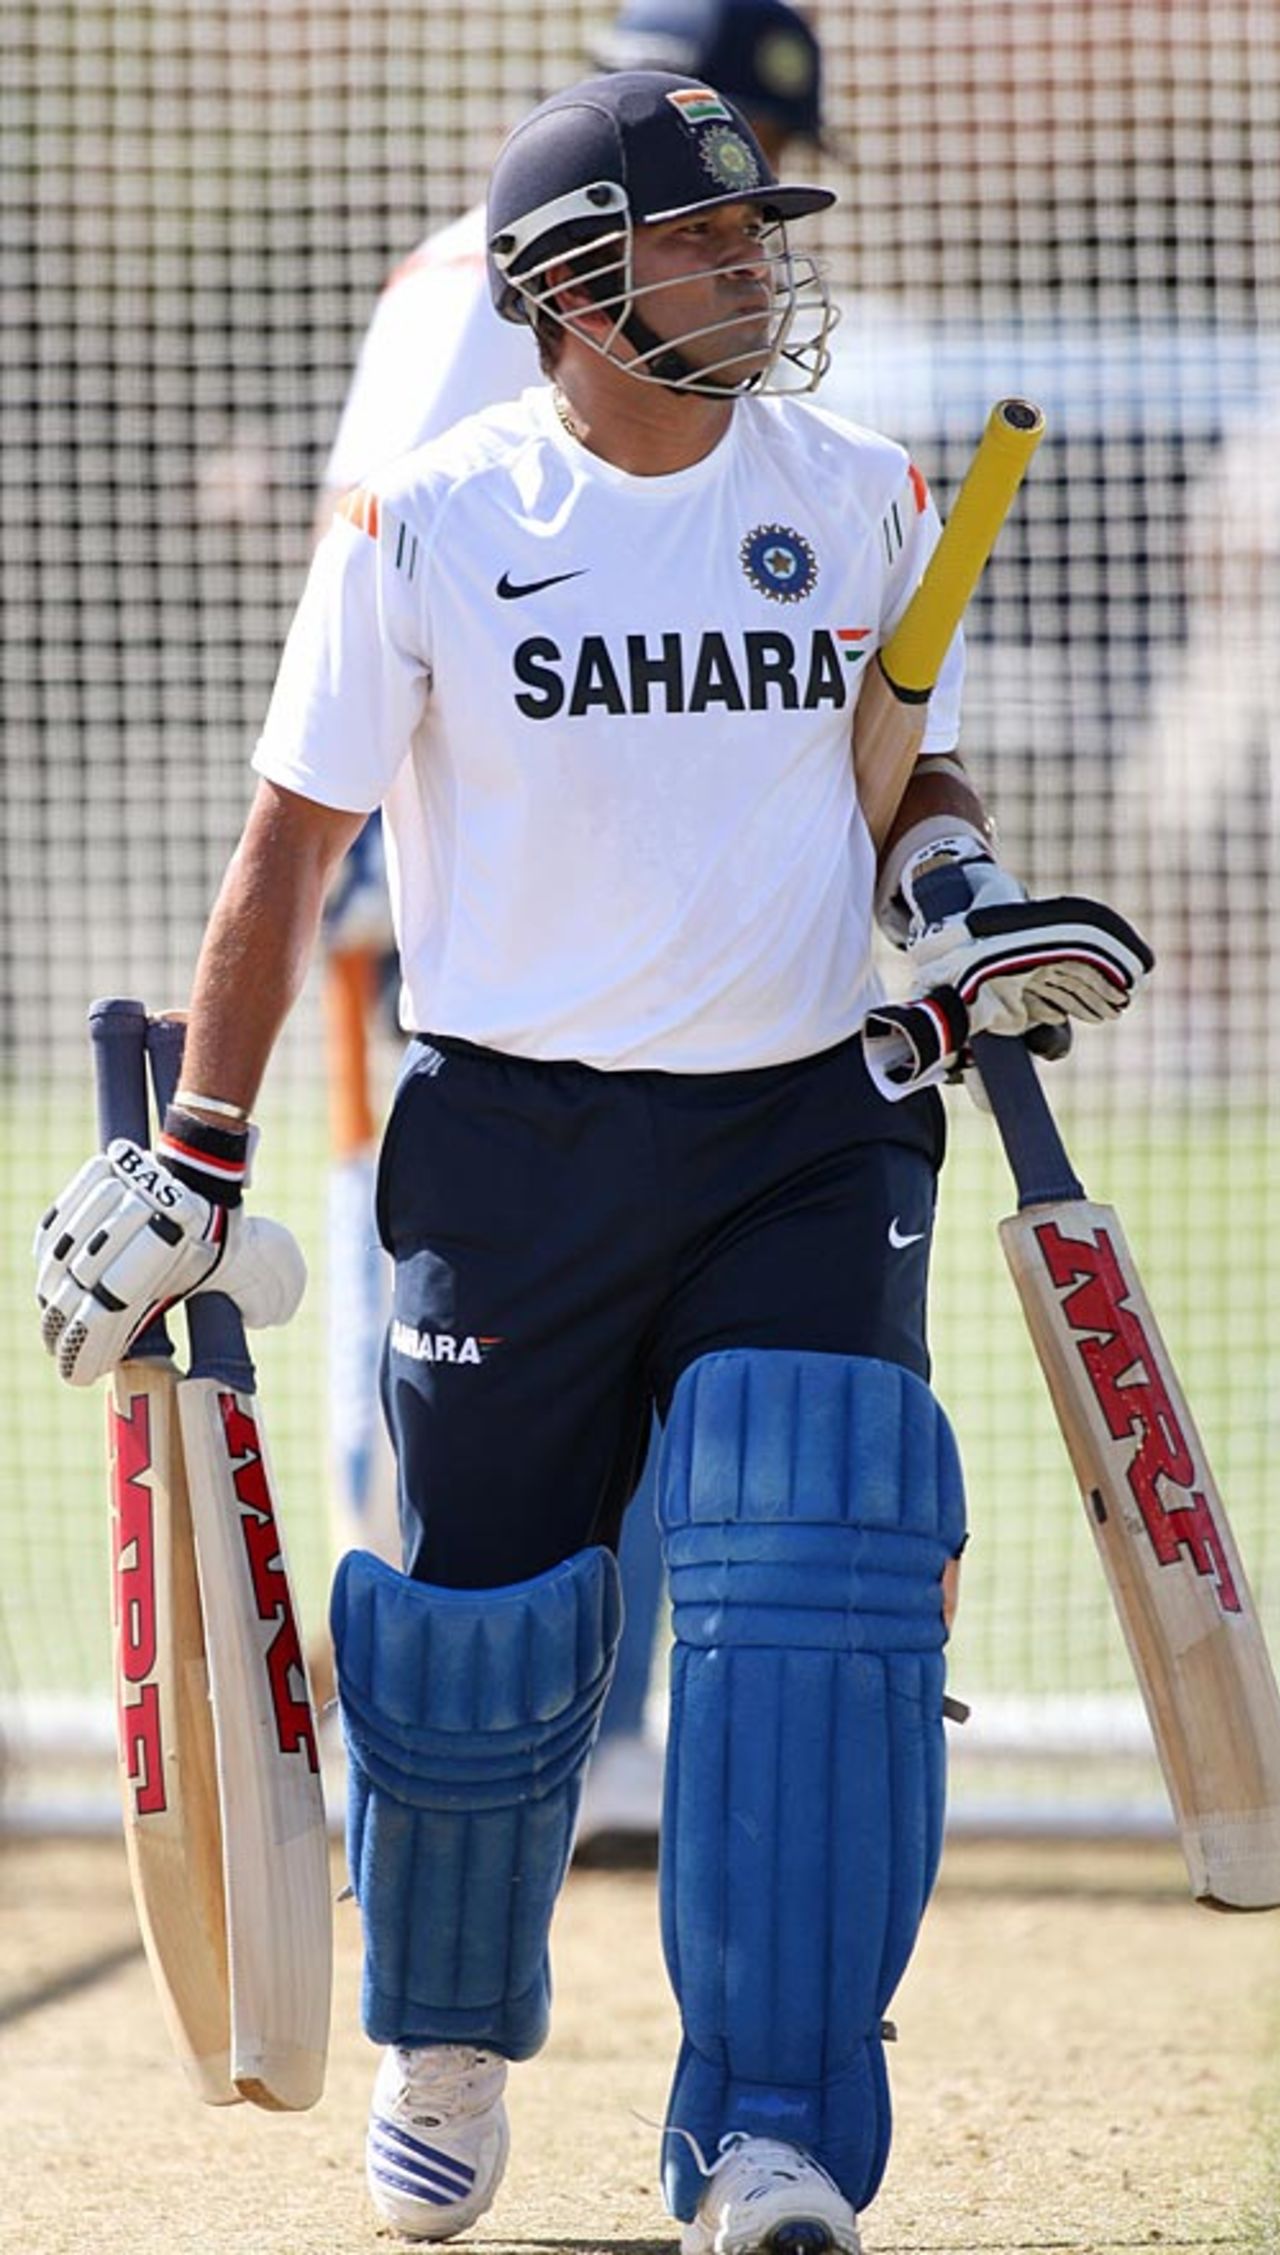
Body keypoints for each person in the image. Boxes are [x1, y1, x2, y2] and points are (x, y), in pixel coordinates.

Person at [35, 69, 1152, 2254]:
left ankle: (772, 2133)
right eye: (708, 240)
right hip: (511, 1149)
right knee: (467, 1661)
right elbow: (292, 847)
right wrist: (198, 1155)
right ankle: (446, 2039)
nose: (758, 269)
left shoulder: (854, 486)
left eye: (761, 235)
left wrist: (961, 885)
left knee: (819, 1594)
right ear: (571, 286)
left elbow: (893, 763)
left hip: (804, 1137)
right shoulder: (434, 517)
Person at [317, 0, 837, 1855]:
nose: (741, 253)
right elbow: (378, 557)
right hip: (462, 842)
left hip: (539, 839)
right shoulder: (490, 276)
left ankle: (556, 1725)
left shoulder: (469, 252)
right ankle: (483, 1726)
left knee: (521, 1311)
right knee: (458, 1315)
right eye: (712, 215)